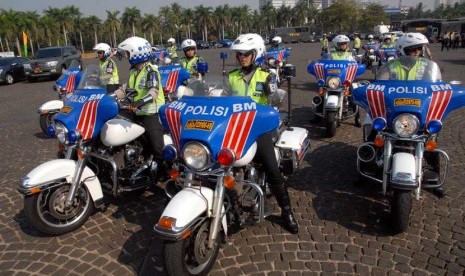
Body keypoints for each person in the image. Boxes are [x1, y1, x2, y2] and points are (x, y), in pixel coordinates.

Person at [227, 33, 298, 234]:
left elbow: (276, 99)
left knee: (272, 170)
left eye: (246, 54)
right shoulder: (232, 76)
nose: (242, 57)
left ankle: (287, 211)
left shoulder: (267, 75)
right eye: (239, 54)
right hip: (236, 127)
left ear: (256, 53)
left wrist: (273, 92)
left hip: (260, 128)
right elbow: (223, 98)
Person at [374, 32, 444, 197]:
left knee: (432, 139)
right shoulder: (392, 66)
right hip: (393, 110)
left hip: (418, 111)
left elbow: (436, 84)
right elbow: (380, 81)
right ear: (402, 50)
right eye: (412, 50)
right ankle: (366, 164)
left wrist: (443, 88)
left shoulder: (427, 66)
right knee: (375, 130)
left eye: (418, 49)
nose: (416, 53)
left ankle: (436, 180)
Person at [117, 36, 166, 175]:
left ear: (136, 53)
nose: (126, 56)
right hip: (136, 113)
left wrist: (137, 103)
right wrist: (108, 97)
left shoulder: (151, 71)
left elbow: (153, 93)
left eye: (128, 53)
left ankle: (165, 173)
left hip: (152, 113)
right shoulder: (134, 71)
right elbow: (124, 89)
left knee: (158, 149)